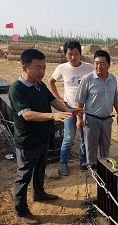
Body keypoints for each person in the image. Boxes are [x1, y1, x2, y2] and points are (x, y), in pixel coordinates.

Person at [9, 49, 82, 224]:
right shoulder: (17, 89)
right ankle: (20, 209)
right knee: (24, 175)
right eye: (37, 67)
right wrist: (53, 116)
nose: (42, 72)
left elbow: (54, 101)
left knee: (40, 168)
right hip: (28, 140)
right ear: (25, 67)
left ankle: (39, 193)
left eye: (44, 67)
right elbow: (26, 115)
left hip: (43, 137)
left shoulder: (40, 85)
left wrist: (68, 110)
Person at [48, 40, 94, 176]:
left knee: (84, 136)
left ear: (80, 54)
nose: (73, 57)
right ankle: (63, 163)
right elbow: (51, 81)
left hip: (85, 109)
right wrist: (58, 99)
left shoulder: (89, 68)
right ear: (65, 54)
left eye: (76, 54)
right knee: (68, 137)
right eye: (70, 54)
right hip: (68, 108)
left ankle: (82, 162)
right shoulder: (62, 68)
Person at [75, 50, 118, 164]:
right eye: (96, 63)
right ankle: (93, 170)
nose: (98, 66)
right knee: (91, 148)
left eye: (102, 63)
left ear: (108, 65)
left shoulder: (113, 79)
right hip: (92, 120)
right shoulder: (87, 79)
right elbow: (80, 101)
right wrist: (79, 119)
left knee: (105, 147)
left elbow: (115, 99)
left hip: (107, 121)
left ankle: (104, 170)